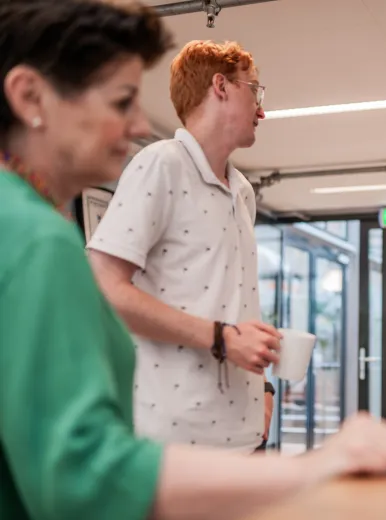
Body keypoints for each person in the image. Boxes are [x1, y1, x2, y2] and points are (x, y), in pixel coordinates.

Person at [0, 2, 386, 520]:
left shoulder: (32, 223)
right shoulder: (37, 239)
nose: (140, 122)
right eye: (123, 100)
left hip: (226, 433)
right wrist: (317, 465)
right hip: (174, 439)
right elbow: (84, 474)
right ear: (29, 96)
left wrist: (258, 384)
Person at [87, 39, 278, 453]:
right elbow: (103, 289)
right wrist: (222, 338)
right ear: (221, 86)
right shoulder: (161, 164)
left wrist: (265, 388)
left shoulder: (242, 189)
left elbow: (233, 305)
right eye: (255, 91)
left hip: (242, 436)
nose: (262, 110)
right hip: (173, 440)